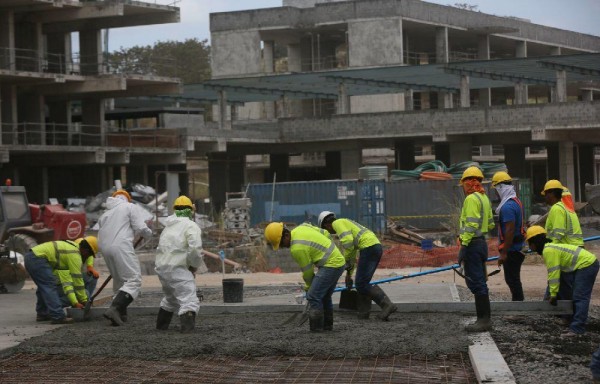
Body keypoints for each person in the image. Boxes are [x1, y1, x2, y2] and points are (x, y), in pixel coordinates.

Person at [264, 222, 346, 332]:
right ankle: (327, 326)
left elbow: (308, 272)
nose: (282, 247)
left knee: (314, 296)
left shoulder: (297, 248)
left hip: (331, 265)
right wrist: (328, 250)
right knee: (324, 296)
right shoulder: (302, 227)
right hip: (338, 261)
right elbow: (325, 233)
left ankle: (316, 328)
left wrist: (309, 288)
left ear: (286, 235)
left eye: (281, 243)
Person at [318, 211, 397, 321]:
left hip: (369, 248)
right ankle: (363, 314)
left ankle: (387, 305)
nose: (331, 232)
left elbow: (348, 243)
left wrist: (344, 262)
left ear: (326, 225)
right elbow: (353, 252)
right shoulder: (346, 223)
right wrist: (349, 275)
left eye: (327, 230)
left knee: (361, 284)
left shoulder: (338, 223)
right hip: (374, 247)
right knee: (362, 283)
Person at [525, 226, 598, 337]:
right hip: (583, 264)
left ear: (534, 243)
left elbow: (554, 274)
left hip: (587, 264)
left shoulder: (548, 251)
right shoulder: (550, 247)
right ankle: (568, 318)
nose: (530, 247)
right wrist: (554, 292)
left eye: (529, 244)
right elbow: (556, 275)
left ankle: (577, 328)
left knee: (580, 296)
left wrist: (553, 295)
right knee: (566, 290)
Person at [98, 189, 153, 326]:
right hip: (121, 245)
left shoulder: (105, 214)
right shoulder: (130, 207)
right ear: (127, 199)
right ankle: (115, 309)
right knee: (133, 279)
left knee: (120, 280)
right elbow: (140, 228)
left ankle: (121, 314)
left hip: (104, 248)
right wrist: (149, 232)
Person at [155, 196, 204, 333]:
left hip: (162, 268)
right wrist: (194, 265)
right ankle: (187, 332)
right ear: (191, 210)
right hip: (178, 268)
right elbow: (194, 249)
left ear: (174, 210)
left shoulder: (168, 226)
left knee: (170, 298)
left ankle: (161, 327)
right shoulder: (191, 226)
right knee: (189, 299)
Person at [24, 237, 96, 324]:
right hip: (37, 258)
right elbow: (78, 281)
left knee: (44, 286)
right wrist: (84, 300)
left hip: (33, 256)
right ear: (85, 251)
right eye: (88, 255)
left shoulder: (72, 247)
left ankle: (42, 313)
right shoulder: (75, 255)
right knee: (49, 286)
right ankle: (57, 316)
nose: (87, 257)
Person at [458, 166, 495, 332]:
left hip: (473, 244)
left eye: (465, 183)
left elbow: (472, 224)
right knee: (479, 280)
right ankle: (484, 318)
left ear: (468, 182)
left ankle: (483, 320)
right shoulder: (483, 197)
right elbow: (491, 223)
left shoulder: (472, 199)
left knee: (476, 281)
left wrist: (464, 245)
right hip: (481, 243)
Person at [491, 171, 526, 301]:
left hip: (512, 250)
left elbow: (510, 231)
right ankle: (518, 307)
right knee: (513, 279)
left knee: (513, 280)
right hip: (516, 248)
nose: (495, 192)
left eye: (495, 189)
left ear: (500, 188)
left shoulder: (507, 207)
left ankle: (519, 310)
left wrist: (504, 252)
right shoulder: (516, 202)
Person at [541, 179, 584, 247]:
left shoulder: (557, 208)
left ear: (551, 193)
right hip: (575, 247)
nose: (545, 197)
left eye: (546, 194)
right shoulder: (565, 208)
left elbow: (558, 234)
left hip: (570, 249)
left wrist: (550, 249)